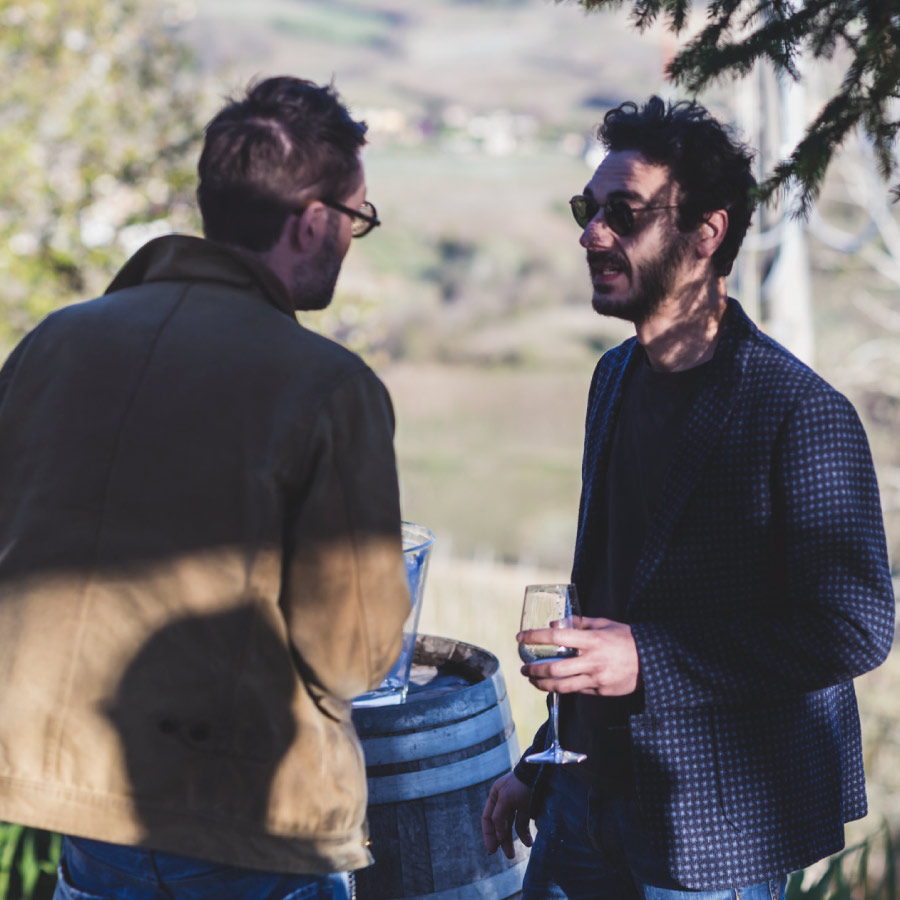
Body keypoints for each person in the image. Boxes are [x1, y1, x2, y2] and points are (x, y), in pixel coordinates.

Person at [0, 76, 411, 900]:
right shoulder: (329, 387)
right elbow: (353, 656)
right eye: (358, 217)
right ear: (316, 218)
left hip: (71, 805)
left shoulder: (52, 344)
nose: (352, 237)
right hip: (249, 823)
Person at [482, 95, 895, 900]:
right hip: (577, 806)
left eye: (623, 213)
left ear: (707, 232)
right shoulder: (612, 378)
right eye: (587, 209)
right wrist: (540, 761)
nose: (591, 234)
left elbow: (855, 627)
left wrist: (650, 658)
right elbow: (607, 599)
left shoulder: (800, 413)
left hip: (709, 834)